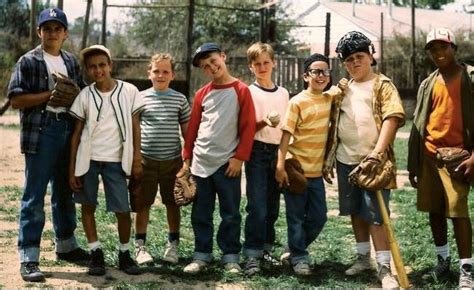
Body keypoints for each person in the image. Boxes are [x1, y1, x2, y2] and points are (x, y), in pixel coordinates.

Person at [7, 7, 89, 282]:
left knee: (65, 190)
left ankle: (66, 244)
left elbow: (80, 96)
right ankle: (29, 256)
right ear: (39, 31)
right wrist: (49, 95)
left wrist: (74, 97)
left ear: (65, 34)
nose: (52, 33)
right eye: (47, 28)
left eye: (58, 28)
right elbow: (16, 99)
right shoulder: (28, 61)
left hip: (67, 128)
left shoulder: (70, 62)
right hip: (42, 131)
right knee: (34, 194)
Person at [327, 31, 405, 288]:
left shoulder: (383, 85)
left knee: (375, 215)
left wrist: (378, 153)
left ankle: (384, 268)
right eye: (348, 59)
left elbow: (392, 118)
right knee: (355, 212)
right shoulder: (343, 88)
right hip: (346, 160)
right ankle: (363, 258)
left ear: (371, 56)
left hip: (374, 162)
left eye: (359, 56)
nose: (354, 63)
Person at [68, 45, 144, 276]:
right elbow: (76, 134)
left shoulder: (129, 91)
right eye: (92, 67)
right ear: (87, 71)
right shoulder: (85, 95)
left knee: (122, 209)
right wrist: (72, 170)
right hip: (88, 160)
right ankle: (96, 253)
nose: (98, 70)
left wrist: (137, 158)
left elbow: (135, 127)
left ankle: (124, 253)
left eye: (102, 65)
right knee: (88, 205)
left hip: (117, 160)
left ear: (110, 65)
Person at [181, 43, 256, 274]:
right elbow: (193, 129)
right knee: (201, 213)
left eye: (214, 61)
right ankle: (201, 254)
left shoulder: (241, 90)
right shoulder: (203, 94)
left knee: (230, 213)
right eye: (205, 66)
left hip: (227, 164)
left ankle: (230, 256)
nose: (211, 67)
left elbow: (248, 127)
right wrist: (187, 159)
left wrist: (239, 158)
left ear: (223, 57)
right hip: (201, 163)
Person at [407, 28, 473, 289]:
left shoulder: (469, 77)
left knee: (458, 211)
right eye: (433, 49)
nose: (438, 53)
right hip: (429, 157)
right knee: (434, 210)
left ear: (454, 47)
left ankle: (466, 268)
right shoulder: (428, 83)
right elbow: (420, 124)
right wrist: (414, 164)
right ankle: (443, 260)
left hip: (458, 157)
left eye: (443, 47)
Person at [275, 53, 342, 276]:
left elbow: (341, 89)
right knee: (295, 218)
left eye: (325, 71)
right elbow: (285, 136)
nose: (321, 75)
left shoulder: (330, 98)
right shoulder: (297, 102)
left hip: (317, 175)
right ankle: (300, 258)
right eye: (316, 71)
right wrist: (280, 166)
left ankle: (294, 249)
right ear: (306, 76)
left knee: (319, 217)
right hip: (297, 172)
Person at [133, 53, 191, 265]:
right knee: (142, 204)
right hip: (146, 161)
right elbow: (134, 130)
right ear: (149, 73)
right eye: (156, 71)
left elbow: (187, 133)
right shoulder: (139, 98)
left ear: (173, 75)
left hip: (172, 162)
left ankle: (173, 245)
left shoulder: (179, 99)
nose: (160, 75)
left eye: (165, 71)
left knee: (172, 203)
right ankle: (140, 247)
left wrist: (186, 162)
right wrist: (135, 158)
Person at [242, 42, 289, 275]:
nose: (262, 67)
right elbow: (246, 129)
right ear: (251, 67)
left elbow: (286, 129)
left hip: (277, 151)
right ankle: (252, 254)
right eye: (257, 64)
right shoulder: (249, 92)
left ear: (274, 63)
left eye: (266, 62)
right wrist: (264, 122)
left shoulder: (283, 93)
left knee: (272, 206)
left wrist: (283, 158)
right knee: (257, 206)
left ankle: (266, 250)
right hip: (257, 152)